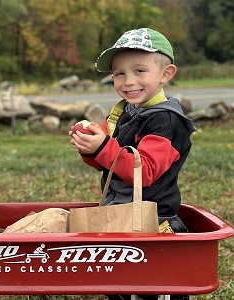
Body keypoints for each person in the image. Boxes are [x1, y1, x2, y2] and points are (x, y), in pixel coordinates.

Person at [69, 28, 195, 300]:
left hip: (154, 220)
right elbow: (111, 164)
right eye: (119, 74)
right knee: (120, 284)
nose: (128, 81)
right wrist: (90, 147)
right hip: (121, 215)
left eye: (139, 71)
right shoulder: (124, 113)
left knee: (154, 285)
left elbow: (144, 171)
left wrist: (103, 147)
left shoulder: (166, 121)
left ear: (166, 74)